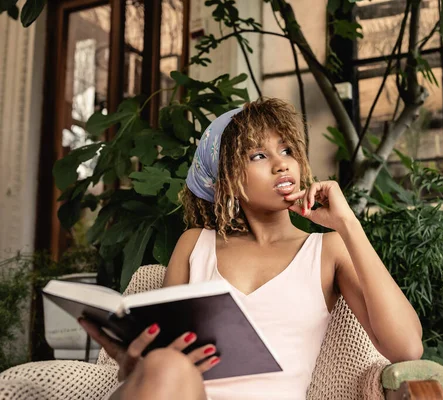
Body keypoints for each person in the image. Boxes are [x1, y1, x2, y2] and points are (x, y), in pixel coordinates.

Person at [79, 97, 423, 400]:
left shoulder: (328, 250)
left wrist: (348, 224)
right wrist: (136, 365)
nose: (281, 164)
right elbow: (167, 353)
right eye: (258, 155)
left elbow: (406, 348)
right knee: (167, 365)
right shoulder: (194, 244)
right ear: (225, 179)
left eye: (287, 150)